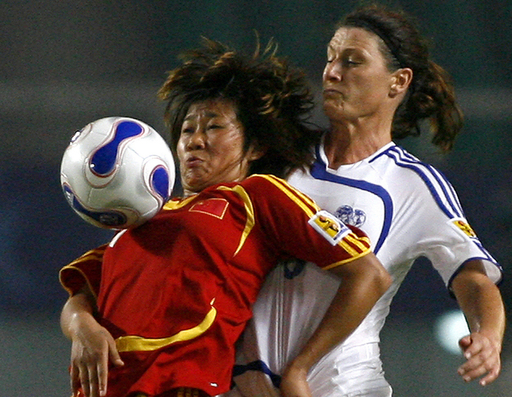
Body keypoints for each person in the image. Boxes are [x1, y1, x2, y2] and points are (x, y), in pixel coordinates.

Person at [59, 38, 392, 397]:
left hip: (183, 387)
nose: (195, 141)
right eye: (187, 130)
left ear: (255, 146)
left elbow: (369, 275)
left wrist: (301, 367)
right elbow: (80, 295)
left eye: (213, 127)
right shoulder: (141, 218)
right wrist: (82, 327)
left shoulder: (254, 197)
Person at [229, 4, 505, 397]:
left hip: (345, 388)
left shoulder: (411, 183)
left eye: (352, 61)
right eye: (330, 59)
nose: (332, 72)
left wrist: (488, 336)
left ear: (398, 82)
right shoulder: (279, 158)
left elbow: (473, 276)